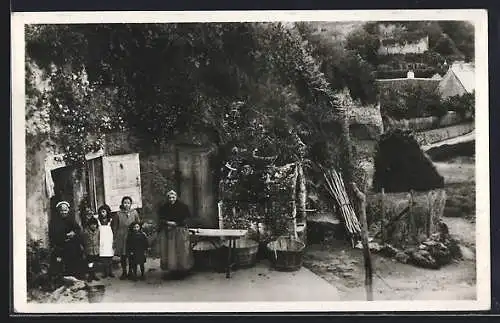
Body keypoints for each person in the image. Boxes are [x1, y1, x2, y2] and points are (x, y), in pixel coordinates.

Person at [157, 190, 194, 279]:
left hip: (180, 230)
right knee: (170, 251)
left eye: (173, 197)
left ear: (176, 197)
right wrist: (167, 222)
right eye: (170, 197)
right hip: (168, 231)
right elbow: (160, 218)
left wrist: (177, 223)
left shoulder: (183, 207)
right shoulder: (164, 207)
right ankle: (172, 270)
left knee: (181, 250)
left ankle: (182, 270)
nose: (171, 199)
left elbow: (187, 218)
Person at [49, 201, 84, 278]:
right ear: (59, 211)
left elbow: (77, 229)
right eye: (62, 210)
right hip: (61, 245)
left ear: (68, 210)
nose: (64, 212)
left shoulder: (70, 219)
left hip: (72, 245)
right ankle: (66, 277)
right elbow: (53, 234)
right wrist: (65, 236)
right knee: (62, 261)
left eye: (65, 210)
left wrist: (73, 233)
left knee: (76, 256)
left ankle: (76, 276)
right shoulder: (54, 221)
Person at [112, 196, 141, 280]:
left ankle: (131, 272)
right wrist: (115, 238)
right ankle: (124, 272)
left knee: (131, 255)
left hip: (132, 236)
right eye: (125, 203)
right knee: (123, 255)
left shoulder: (134, 212)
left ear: (131, 204)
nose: (126, 204)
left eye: (128, 203)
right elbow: (115, 227)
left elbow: (138, 223)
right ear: (122, 204)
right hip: (122, 236)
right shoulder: (118, 214)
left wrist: (138, 233)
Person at [98, 204, 115, 278]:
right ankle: (105, 272)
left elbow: (113, 230)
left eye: (104, 212)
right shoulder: (98, 220)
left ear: (107, 212)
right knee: (103, 257)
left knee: (109, 256)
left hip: (109, 240)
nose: (102, 213)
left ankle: (110, 271)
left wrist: (114, 239)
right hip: (102, 240)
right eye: (101, 212)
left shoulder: (110, 220)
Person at [82, 217, 100, 282]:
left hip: (96, 250)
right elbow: (83, 241)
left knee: (95, 263)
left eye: (95, 224)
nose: (93, 226)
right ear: (89, 225)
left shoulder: (98, 231)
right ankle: (90, 275)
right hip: (89, 250)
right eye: (92, 224)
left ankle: (94, 275)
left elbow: (99, 239)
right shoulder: (85, 232)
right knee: (90, 263)